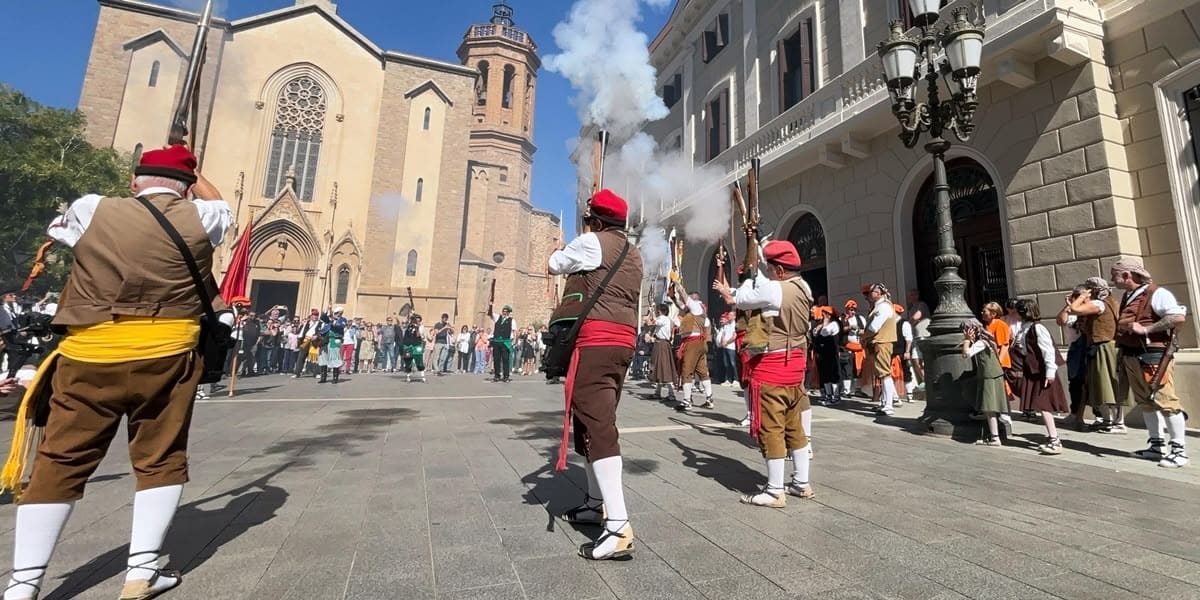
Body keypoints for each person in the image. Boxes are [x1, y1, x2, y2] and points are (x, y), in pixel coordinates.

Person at [0, 145, 232, 600]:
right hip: (167, 358)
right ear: (186, 189)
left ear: (133, 182)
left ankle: (23, 584)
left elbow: (62, 231)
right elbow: (221, 203)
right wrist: (196, 173)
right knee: (161, 457)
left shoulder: (92, 208)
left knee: (60, 460)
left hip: (90, 356)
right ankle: (141, 574)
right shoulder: (203, 219)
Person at [548, 189, 643, 560]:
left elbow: (556, 264)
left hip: (597, 340)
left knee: (599, 424)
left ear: (597, 221)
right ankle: (593, 501)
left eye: (590, 221)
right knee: (589, 422)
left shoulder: (591, 242)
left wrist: (559, 250)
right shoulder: (633, 253)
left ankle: (618, 525)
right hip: (622, 341)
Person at [713, 240, 815, 507]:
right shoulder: (803, 286)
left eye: (771, 268)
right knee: (795, 428)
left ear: (779, 270)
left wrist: (748, 275)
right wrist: (755, 244)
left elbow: (743, 298)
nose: (767, 272)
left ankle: (774, 490)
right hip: (795, 365)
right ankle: (801, 483)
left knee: (771, 428)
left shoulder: (774, 289)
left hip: (772, 366)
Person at [1111, 258, 1189, 468]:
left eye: (1115, 274)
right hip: (1132, 354)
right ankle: (1156, 446)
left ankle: (1179, 450)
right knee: (1145, 401)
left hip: (1153, 356)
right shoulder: (1128, 296)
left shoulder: (1157, 294)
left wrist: (1147, 329)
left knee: (1166, 400)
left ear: (1128, 275)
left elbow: (1177, 317)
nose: (1112, 279)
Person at [1065, 277, 1124, 432]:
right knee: (1106, 384)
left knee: (1105, 384)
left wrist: (1082, 297)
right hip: (1106, 346)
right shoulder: (1112, 302)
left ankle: (1113, 422)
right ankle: (1112, 420)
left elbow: (1074, 309)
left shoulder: (1099, 304)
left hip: (1103, 346)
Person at [1015, 301, 1068, 455]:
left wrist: (1050, 372)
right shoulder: (1025, 328)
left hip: (1042, 373)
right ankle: (1053, 438)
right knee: (1042, 407)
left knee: (1044, 406)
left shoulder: (1037, 328)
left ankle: (1055, 440)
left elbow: (1048, 350)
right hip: (1033, 372)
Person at [961, 319, 1008, 447]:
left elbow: (966, 354)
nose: (964, 332)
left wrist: (967, 340)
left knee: (989, 408)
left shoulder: (981, 343)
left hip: (989, 376)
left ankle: (995, 437)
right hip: (991, 375)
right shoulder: (986, 341)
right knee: (990, 408)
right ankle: (994, 434)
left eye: (966, 330)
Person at [670, 281, 713, 412]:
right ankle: (709, 399)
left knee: (686, 370)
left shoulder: (696, 308)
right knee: (702, 371)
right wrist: (673, 297)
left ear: (694, 299)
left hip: (692, 342)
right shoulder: (698, 311)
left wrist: (677, 283)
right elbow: (682, 304)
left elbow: (684, 297)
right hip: (699, 343)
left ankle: (687, 401)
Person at [862, 284, 899, 416]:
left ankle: (888, 405)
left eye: (869, 293)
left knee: (884, 374)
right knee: (881, 374)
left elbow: (873, 328)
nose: (867, 296)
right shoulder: (879, 306)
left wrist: (863, 335)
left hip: (881, 343)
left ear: (879, 293)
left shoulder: (883, 307)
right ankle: (884, 402)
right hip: (878, 343)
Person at [811, 306, 842, 406]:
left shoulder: (833, 324)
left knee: (833, 374)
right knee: (825, 374)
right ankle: (828, 395)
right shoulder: (823, 325)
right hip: (823, 353)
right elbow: (814, 333)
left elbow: (824, 333)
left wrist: (823, 325)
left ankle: (836, 396)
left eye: (824, 314)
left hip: (832, 352)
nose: (822, 316)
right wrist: (820, 326)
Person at [647, 304, 677, 402]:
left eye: (657, 310)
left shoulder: (663, 318)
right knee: (658, 368)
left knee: (665, 368)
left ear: (659, 311)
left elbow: (653, 322)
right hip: (659, 343)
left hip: (662, 345)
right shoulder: (663, 318)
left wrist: (651, 311)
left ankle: (671, 394)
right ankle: (657, 392)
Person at [840, 300, 867, 397]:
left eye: (854, 310)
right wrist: (849, 327)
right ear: (846, 309)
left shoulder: (860, 318)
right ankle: (846, 391)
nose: (853, 312)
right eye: (851, 310)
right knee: (847, 370)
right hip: (847, 348)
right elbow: (839, 330)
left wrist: (861, 331)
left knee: (859, 370)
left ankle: (858, 389)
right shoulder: (841, 319)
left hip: (859, 348)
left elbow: (866, 330)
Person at [316, 306, 347, 384]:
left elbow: (339, 326)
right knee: (323, 357)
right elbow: (323, 317)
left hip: (334, 339)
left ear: (340, 313)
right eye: (335, 313)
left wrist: (334, 320)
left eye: (337, 313)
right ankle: (323, 377)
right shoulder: (330, 320)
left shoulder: (342, 320)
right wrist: (327, 310)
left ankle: (335, 377)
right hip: (325, 339)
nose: (336, 314)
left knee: (334, 357)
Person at [488, 305, 516, 382]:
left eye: (506, 311)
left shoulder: (512, 320)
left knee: (505, 359)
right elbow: (490, 313)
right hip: (496, 342)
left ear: (509, 313)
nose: (504, 313)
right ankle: (497, 375)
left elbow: (514, 331)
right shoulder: (497, 317)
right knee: (496, 359)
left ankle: (506, 376)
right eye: (503, 311)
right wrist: (490, 305)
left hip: (505, 342)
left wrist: (513, 342)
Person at [400, 313, 428, 383]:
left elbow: (419, 335)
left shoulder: (421, 327)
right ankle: (408, 376)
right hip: (408, 345)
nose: (416, 321)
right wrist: (411, 315)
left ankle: (422, 376)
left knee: (419, 360)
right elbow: (404, 324)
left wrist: (417, 327)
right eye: (415, 320)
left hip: (417, 345)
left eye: (418, 320)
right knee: (408, 360)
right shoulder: (408, 326)